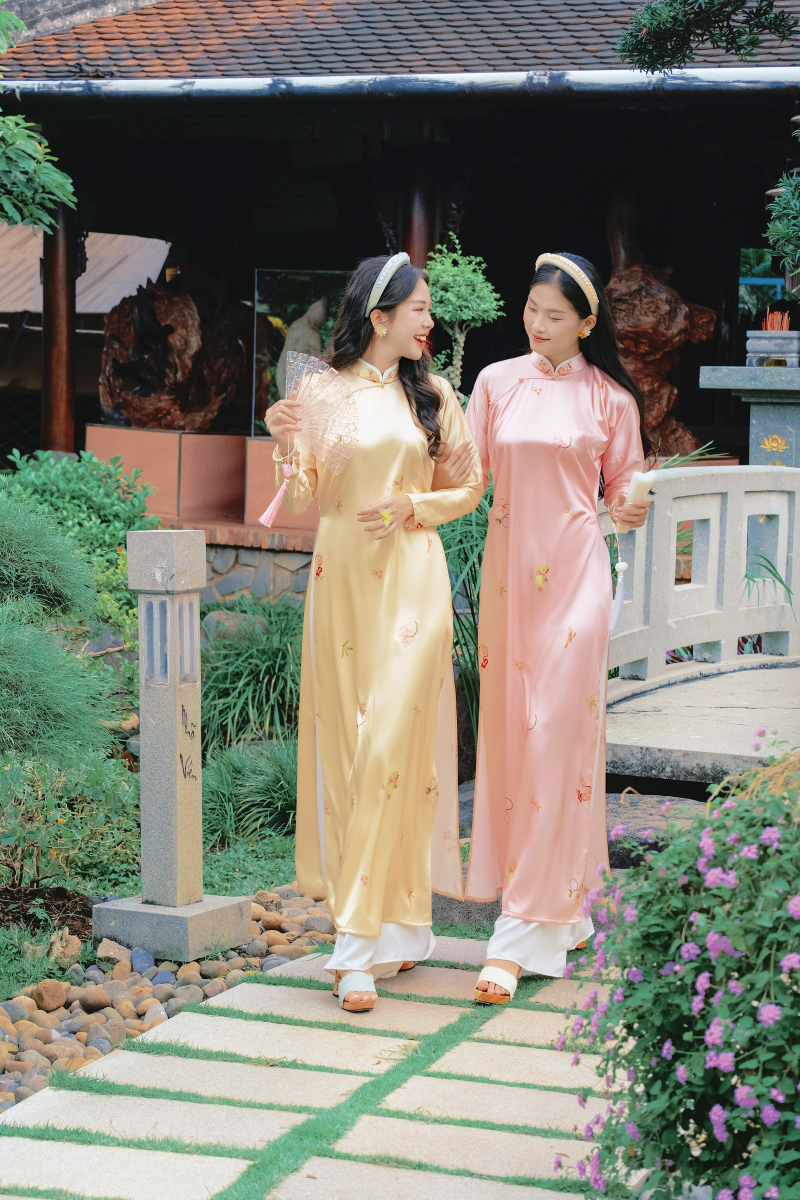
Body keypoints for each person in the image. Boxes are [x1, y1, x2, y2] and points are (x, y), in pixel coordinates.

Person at [266, 253, 483, 1012]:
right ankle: (396, 927)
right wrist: (283, 437)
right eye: (419, 308)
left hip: (414, 578)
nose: (430, 320)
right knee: (352, 754)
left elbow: (470, 485)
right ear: (379, 315)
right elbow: (303, 496)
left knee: (390, 742)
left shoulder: (436, 395)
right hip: (343, 578)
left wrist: (412, 508)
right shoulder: (320, 391)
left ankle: (354, 947)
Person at [464, 252, 653, 1003]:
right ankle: (566, 909)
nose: (537, 324)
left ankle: (517, 934)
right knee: (520, 742)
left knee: (552, 737)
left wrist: (635, 503)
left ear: (586, 322)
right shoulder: (494, 383)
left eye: (554, 316)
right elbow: (464, 479)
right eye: (531, 310)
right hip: (509, 581)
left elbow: (626, 494)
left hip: (577, 578)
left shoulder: (611, 399)